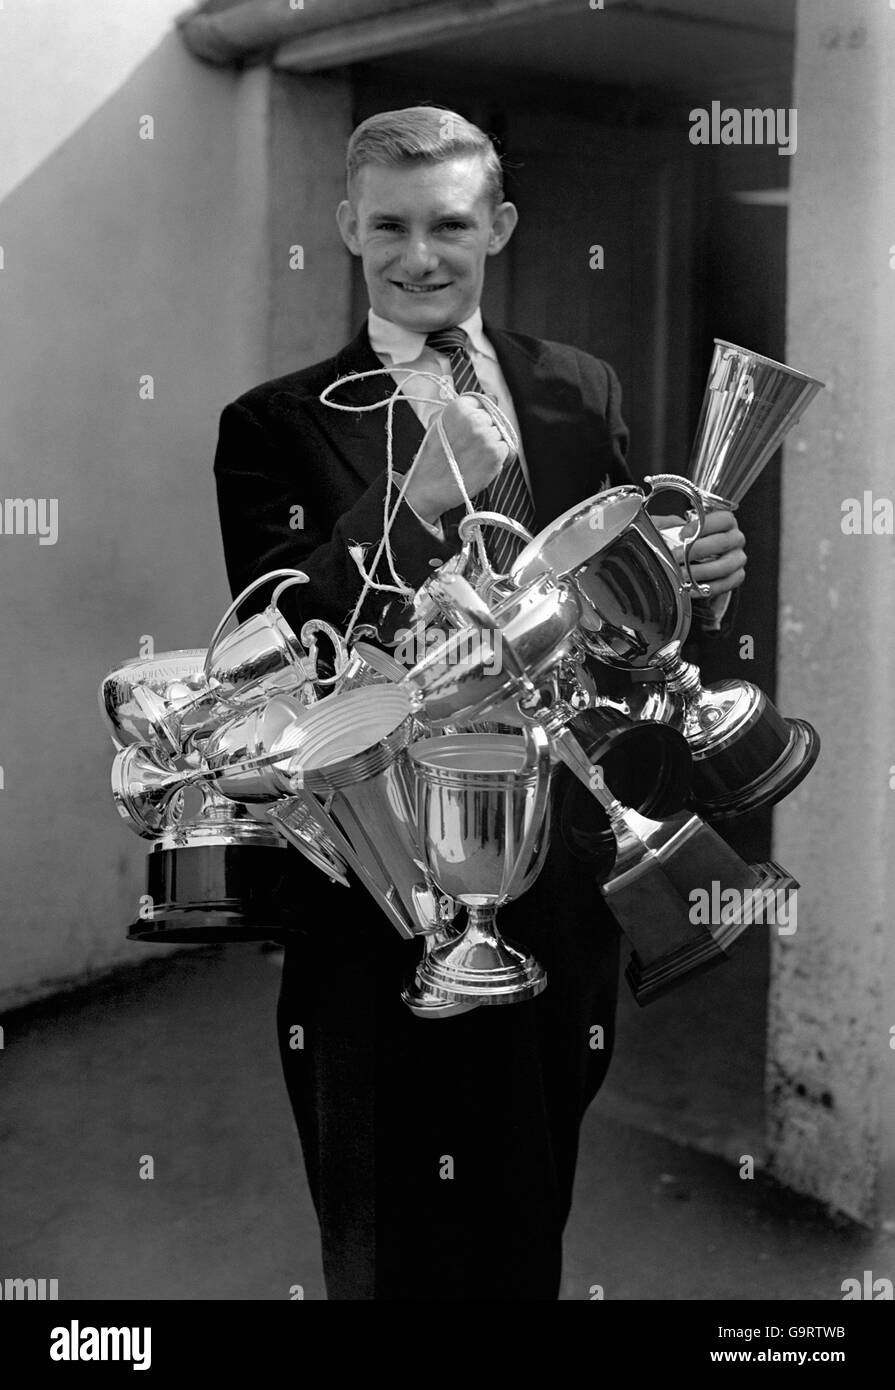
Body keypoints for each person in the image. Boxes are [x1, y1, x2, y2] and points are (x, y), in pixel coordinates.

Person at [213, 106, 747, 1301]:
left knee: (523, 1207)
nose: (420, 254)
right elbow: (287, 657)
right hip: (380, 895)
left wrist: (696, 578)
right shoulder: (272, 425)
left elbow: (623, 613)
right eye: (389, 225)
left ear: (495, 225)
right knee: (382, 1224)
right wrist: (407, 504)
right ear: (348, 226)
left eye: (450, 223)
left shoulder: (575, 387)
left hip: (557, 871)